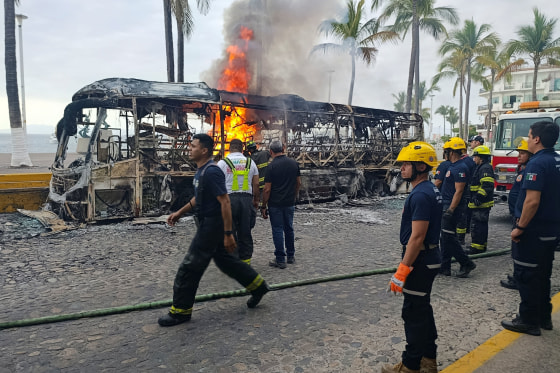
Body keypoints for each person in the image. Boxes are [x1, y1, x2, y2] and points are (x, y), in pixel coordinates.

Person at [158, 134, 270, 327]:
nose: (189, 149)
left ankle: (180, 311)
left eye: (193, 146)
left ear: (204, 150)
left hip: (211, 225)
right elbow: (198, 199)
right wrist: (179, 212)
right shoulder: (202, 172)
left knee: (190, 267)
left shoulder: (212, 171)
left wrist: (227, 234)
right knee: (228, 263)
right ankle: (258, 287)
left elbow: (224, 201)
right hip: (208, 223)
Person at [383, 142, 442, 373]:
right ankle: (428, 360)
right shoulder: (430, 190)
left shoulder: (420, 195)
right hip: (430, 256)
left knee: (413, 313)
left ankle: (410, 365)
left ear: (421, 166)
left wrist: (402, 270)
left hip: (421, 259)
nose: (402, 168)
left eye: (407, 164)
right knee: (423, 308)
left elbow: (416, 238)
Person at [502, 121, 560, 336]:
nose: (526, 140)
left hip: (533, 232)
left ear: (536, 139)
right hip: (551, 230)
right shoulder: (557, 160)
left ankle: (528, 320)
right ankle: (544, 317)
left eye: (528, 135)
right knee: (543, 275)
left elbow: (532, 201)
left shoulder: (536, 164)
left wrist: (520, 227)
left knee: (526, 275)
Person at [217, 139, 260, 265]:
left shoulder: (222, 163)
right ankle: (246, 262)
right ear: (242, 149)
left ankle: (234, 262)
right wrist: (256, 200)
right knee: (245, 232)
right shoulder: (250, 162)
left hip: (228, 200)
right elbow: (256, 184)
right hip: (246, 200)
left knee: (230, 231)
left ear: (229, 149)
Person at [439, 137, 477, 278]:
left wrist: (451, 209)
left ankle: (466, 262)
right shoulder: (452, 166)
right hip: (447, 204)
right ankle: (445, 267)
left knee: (449, 238)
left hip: (452, 207)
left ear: (452, 152)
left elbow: (459, 191)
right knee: (445, 237)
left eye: (446, 151)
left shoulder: (460, 167)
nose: (444, 154)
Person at [261, 140, 301, 269]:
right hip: (289, 203)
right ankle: (290, 256)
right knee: (289, 228)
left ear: (271, 152)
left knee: (277, 229)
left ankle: (280, 259)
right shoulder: (294, 164)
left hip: (275, 204)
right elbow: (298, 183)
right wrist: (293, 196)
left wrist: (263, 205)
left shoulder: (271, 167)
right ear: (283, 149)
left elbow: (267, 189)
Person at [501, 139, 533, 290]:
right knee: (516, 250)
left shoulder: (530, 171)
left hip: (521, 217)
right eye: (519, 153)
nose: (519, 156)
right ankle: (517, 275)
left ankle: (519, 280)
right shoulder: (523, 169)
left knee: (520, 251)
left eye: (522, 153)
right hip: (516, 214)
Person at [466, 145, 495, 255]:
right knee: (479, 225)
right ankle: (479, 245)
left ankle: (477, 248)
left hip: (481, 203)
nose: (474, 159)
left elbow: (487, 185)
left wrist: (479, 197)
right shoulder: (482, 167)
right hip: (479, 203)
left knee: (478, 226)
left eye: (476, 157)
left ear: (481, 158)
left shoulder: (485, 168)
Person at [456, 147, 476, 245]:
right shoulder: (470, 160)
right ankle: (465, 232)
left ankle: (460, 238)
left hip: (464, 190)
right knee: (467, 213)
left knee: (462, 215)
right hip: (469, 190)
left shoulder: (462, 164)